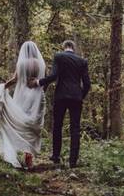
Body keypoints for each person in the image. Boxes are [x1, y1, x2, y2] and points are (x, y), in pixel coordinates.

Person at [30, 40, 90, 168]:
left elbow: (54, 76)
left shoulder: (59, 56)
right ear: (73, 48)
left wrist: (39, 82)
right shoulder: (82, 61)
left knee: (57, 126)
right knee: (75, 129)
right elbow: (87, 84)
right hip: (76, 97)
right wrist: (81, 96)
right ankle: (73, 161)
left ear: (64, 47)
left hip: (61, 96)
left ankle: (56, 156)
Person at [0, 41, 46, 169]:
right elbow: (43, 81)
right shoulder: (41, 63)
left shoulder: (22, 63)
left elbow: (15, 79)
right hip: (37, 95)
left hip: (23, 94)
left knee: (21, 122)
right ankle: (29, 157)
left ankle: (18, 150)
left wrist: (2, 87)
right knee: (33, 126)